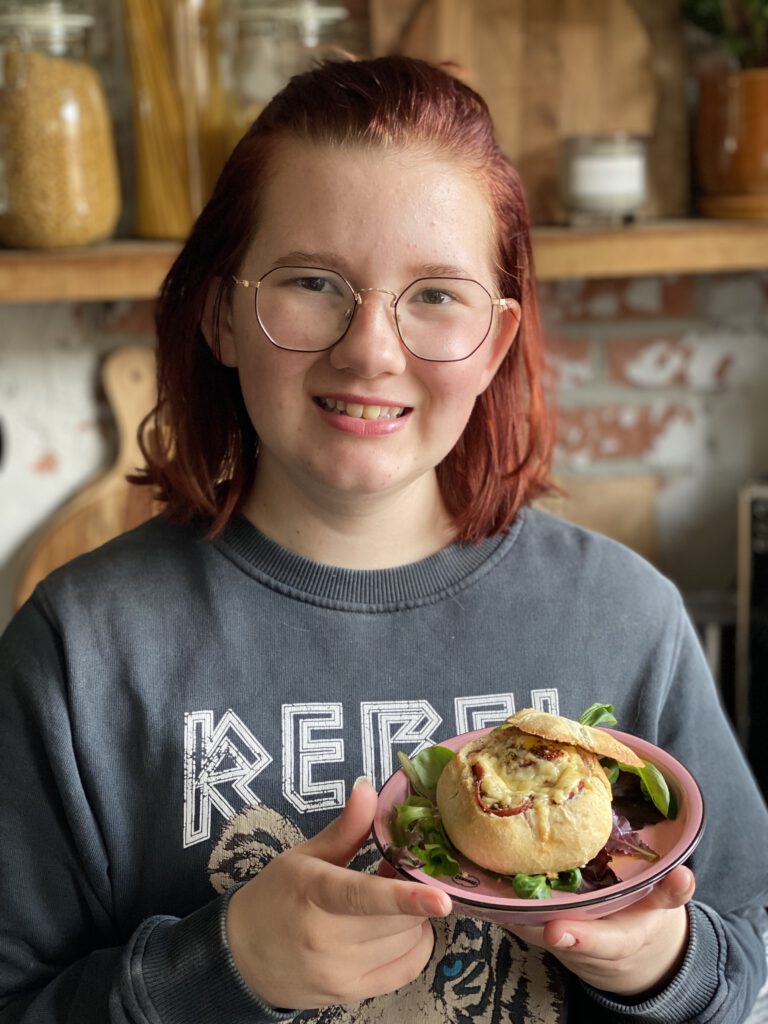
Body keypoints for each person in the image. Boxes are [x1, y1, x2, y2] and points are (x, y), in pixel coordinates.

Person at [0, 55, 766, 1024]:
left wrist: (667, 962)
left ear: (494, 342)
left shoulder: (625, 616)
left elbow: (753, 962)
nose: (369, 347)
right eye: (314, 281)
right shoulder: (82, 647)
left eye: (436, 294)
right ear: (221, 314)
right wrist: (215, 967)